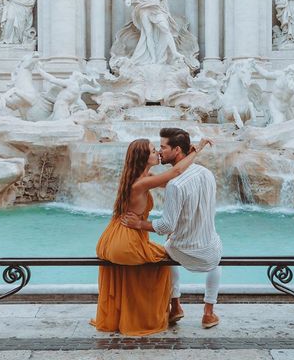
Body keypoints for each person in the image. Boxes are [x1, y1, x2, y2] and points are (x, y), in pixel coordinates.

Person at [93, 136, 213, 336]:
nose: (157, 152)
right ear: (142, 158)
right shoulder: (142, 182)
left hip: (116, 235)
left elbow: (173, 181)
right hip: (126, 241)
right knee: (164, 261)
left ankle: (165, 309)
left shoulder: (139, 177)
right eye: (152, 150)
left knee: (158, 259)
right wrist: (196, 151)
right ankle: (154, 313)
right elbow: (175, 172)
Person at [122, 127, 222, 329]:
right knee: (217, 256)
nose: (159, 152)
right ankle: (208, 313)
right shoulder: (207, 174)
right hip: (210, 250)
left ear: (177, 150)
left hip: (182, 249)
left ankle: (175, 306)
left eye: (162, 147)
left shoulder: (174, 185)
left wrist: (139, 224)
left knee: (167, 248)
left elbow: (166, 224)